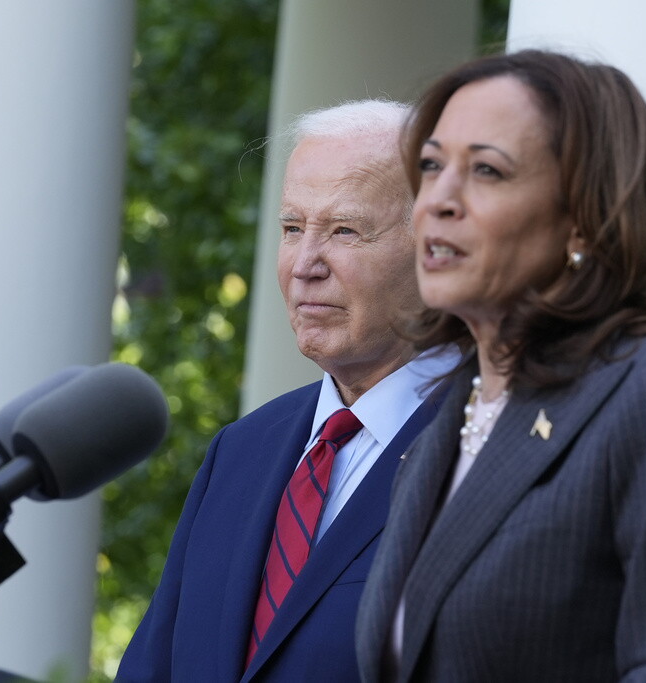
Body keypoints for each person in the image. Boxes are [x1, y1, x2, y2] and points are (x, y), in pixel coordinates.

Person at [355, 50, 646, 682]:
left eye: (487, 170)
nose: (439, 198)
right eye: (433, 166)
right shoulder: (442, 425)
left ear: (581, 220)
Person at [116, 100, 458, 682]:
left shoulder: (494, 446)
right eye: (292, 228)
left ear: (438, 249)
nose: (304, 264)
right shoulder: (241, 451)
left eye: (345, 231)